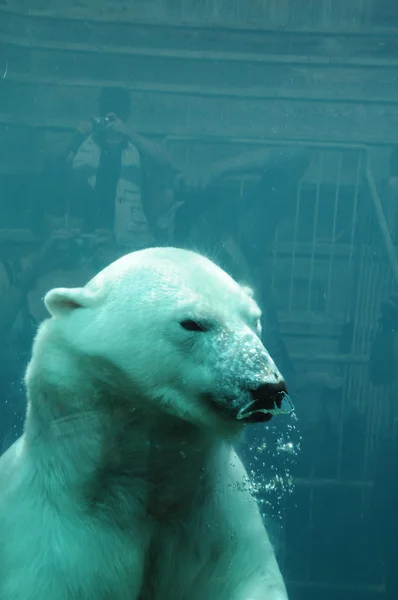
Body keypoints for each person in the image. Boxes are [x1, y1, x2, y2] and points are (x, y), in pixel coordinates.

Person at [65, 86, 174, 257]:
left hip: (127, 239)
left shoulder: (136, 146)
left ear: (126, 114)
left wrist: (127, 132)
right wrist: (77, 136)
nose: (110, 116)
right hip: (88, 233)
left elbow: (166, 159)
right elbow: (64, 167)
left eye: (117, 111)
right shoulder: (86, 141)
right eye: (106, 110)